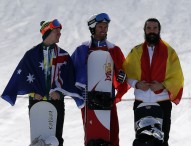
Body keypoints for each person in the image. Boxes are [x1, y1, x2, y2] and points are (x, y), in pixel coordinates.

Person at [1, 19, 84, 146]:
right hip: (36, 102)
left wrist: (59, 93)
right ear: (48, 32)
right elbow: (22, 77)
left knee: (56, 140)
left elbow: (69, 79)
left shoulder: (63, 55)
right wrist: (33, 93)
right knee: (37, 139)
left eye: (60, 31)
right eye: (57, 31)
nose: (59, 34)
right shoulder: (31, 54)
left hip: (56, 102)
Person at [123, 18, 184, 146]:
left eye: (155, 28)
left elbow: (177, 77)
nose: (152, 31)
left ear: (159, 30)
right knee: (141, 141)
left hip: (162, 102)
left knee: (162, 140)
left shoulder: (169, 52)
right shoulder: (136, 51)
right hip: (141, 102)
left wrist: (162, 85)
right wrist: (137, 84)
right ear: (144, 30)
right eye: (149, 28)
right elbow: (125, 74)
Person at [71, 13, 128, 146]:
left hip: (107, 97)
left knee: (113, 132)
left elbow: (124, 73)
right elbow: (70, 72)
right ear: (93, 28)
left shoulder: (113, 49)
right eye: (100, 26)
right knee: (92, 133)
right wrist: (79, 90)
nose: (103, 29)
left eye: (106, 26)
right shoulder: (82, 49)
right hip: (88, 99)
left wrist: (121, 76)